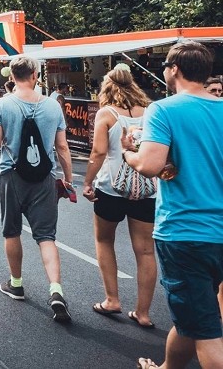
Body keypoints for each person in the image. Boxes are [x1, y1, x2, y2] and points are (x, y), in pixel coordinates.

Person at [125, 42, 223, 369]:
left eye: (164, 65)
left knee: (207, 331)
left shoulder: (164, 109)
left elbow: (150, 165)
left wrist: (129, 153)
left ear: (174, 69)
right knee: (195, 317)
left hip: (185, 232)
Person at [0, 54, 74, 323]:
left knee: (11, 231)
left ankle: (16, 283)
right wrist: (68, 178)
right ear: (35, 76)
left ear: (12, 77)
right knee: (46, 236)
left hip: (11, 175)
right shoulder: (52, 106)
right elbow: (62, 147)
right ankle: (56, 290)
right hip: (45, 177)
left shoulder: (1, 105)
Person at [80, 65, 157, 327]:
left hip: (111, 187)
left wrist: (88, 182)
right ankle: (143, 313)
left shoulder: (107, 113)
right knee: (146, 251)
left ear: (107, 86)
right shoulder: (150, 112)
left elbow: (98, 153)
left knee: (104, 240)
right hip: (146, 188)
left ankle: (112, 300)